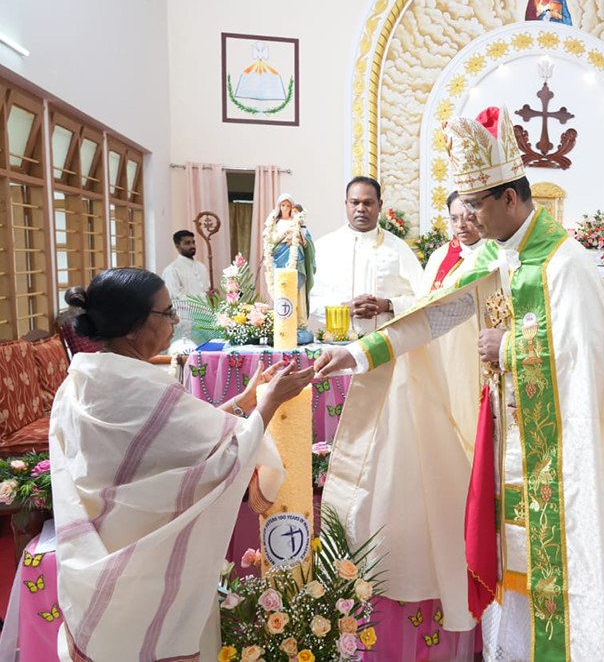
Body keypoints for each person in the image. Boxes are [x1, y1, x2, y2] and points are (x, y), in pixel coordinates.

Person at [315, 106, 604, 661]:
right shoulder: (501, 256)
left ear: (509, 198)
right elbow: (437, 315)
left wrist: (512, 349)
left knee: (552, 570)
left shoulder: (563, 262)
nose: (469, 218)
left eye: (477, 204)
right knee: (512, 569)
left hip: (561, 458)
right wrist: (356, 353)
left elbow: (588, 356)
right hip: (510, 446)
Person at [48, 268, 314, 661]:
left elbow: (189, 442)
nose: (175, 321)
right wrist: (269, 403)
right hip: (151, 565)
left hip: (98, 548)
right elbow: (222, 459)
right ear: (133, 328)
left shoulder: (79, 381)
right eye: (167, 312)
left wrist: (245, 399)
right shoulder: (146, 389)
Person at [308, 177, 422, 337]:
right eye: (355, 203)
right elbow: (307, 301)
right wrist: (344, 309)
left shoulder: (398, 248)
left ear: (380, 205)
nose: (361, 209)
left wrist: (388, 305)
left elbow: (422, 298)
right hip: (337, 345)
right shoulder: (324, 247)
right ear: (346, 204)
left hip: (386, 346)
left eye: (368, 203)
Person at [262, 193, 316, 329]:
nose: (285, 208)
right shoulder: (275, 223)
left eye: (288, 206)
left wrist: (298, 239)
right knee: (282, 290)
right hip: (279, 261)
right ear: (279, 207)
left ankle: (300, 323)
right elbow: (271, 240)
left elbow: (307, 241)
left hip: (297, 262)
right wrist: (285, 233)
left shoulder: (298, 222)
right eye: (283, 205)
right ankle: (284, 323)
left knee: (298, 290)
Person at [418, 190, 483, 296]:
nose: (460, 225)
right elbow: (423, 300)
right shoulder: (439, 256)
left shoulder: (494, 250)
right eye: (454, 219)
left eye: (467, 218)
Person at [161, 229, 210, 339]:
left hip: (204, 319)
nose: (192, 246)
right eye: (187, 243)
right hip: (185, 320)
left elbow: (205, 290)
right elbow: (175, 297)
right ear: (177, 245)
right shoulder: (172, 269)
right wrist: (202, 300)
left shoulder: (201, 267)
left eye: (193, 242)